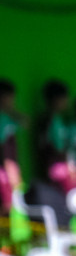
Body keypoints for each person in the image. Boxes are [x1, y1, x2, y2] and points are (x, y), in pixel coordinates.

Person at [28, 79, 72, 224]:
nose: (67, 102)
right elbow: (57, 148)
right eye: (65, 98)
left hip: (48, 172)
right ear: (56, 100)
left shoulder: (48, 119)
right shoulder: (53, 120)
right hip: (55, 173)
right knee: (59, 213)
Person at [0, 79, 24, 217]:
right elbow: (2, 146)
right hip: (3, 169)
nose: (11, 101)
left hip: (7, 167)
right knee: (6, 205)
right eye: (8, 98)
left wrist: (10, 110)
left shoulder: (8, 117)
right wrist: (9, 166)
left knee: (9, 205)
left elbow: (25, 121)